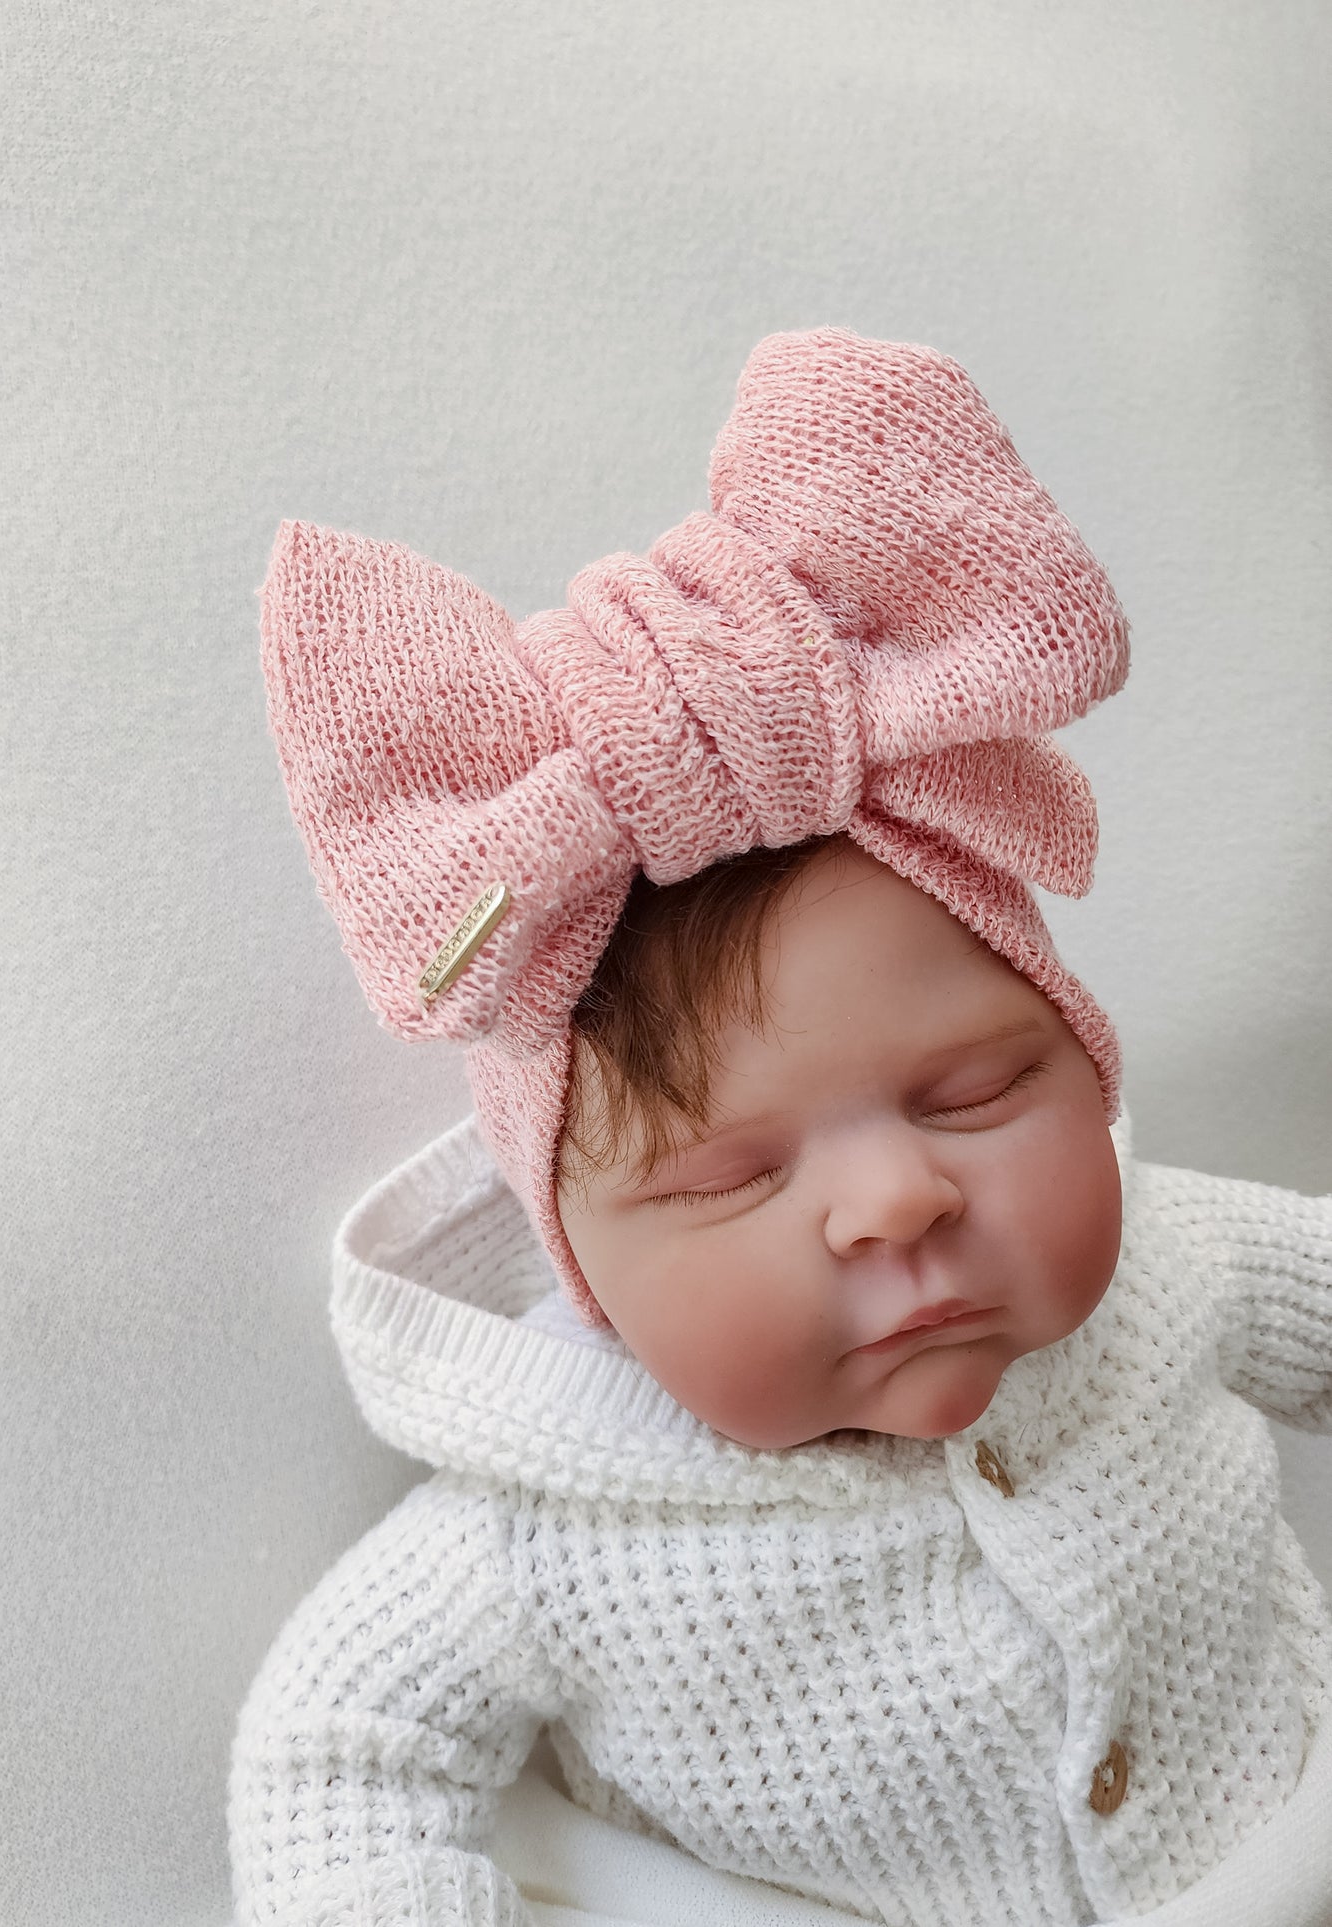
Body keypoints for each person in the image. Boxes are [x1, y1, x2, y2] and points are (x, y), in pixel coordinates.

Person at [228, 330, 1332, 1926]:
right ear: (581, 1263)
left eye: (976, 1093)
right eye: (730, 1176)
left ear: (1082, 1061)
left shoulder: (1182, 1262)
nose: (896, 1198)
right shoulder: (547, 1530)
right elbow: (339, 1755)